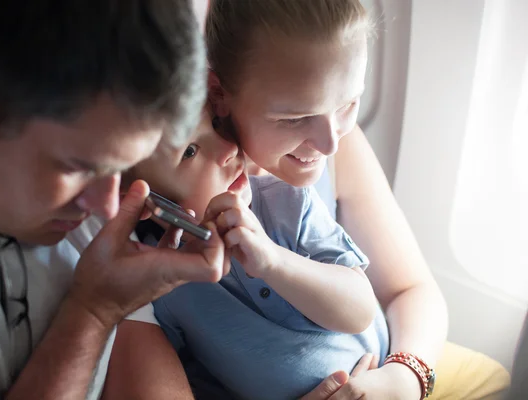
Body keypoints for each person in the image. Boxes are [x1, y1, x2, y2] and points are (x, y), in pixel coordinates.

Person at [203, 0, 511, 398]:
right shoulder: (185, 182)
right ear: (220, 94)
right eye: (294, 118)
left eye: (348, 103)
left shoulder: (342, 146)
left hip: (381, 364)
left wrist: (402, 379)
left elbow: (412, 289)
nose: (330, 141)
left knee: (496, 378)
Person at [0, 1, 231, 399]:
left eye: (122, 169)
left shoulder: (71, 218)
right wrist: (93, 312)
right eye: (78, 167)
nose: (107, 207)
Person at [104, 104, 386, 399]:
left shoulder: (287, 199)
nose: (228, 147)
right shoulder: (163, 286)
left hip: (378, 377)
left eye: (216, 124)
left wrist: (272, 261)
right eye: (190, 151)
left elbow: (360, 310)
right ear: (144, 201)